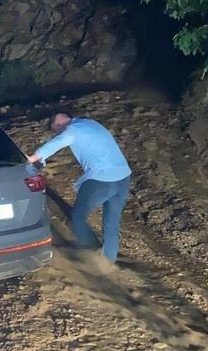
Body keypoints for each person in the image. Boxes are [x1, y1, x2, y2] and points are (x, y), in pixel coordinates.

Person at [27, 110, 131, 263]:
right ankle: (109, 261)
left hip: (101, 179)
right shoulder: (91, 123)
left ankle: (92, 252)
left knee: (77, 217)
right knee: (112, 222)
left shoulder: (72, 129)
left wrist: (32, 158)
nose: (58, 133)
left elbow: (55, 144)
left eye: (56, 130)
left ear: (58, 124)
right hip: (123, 176)